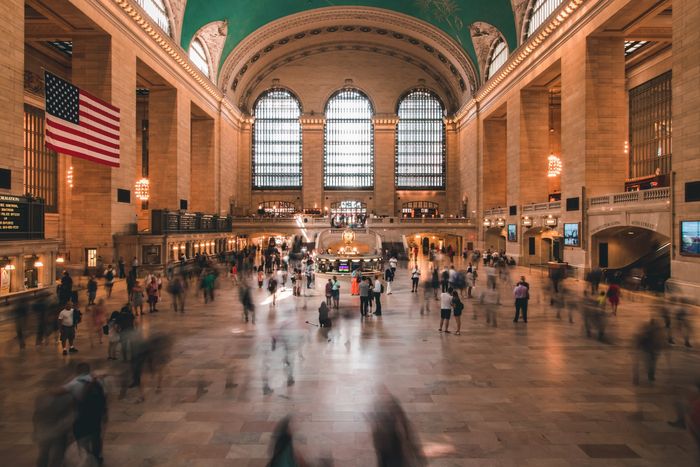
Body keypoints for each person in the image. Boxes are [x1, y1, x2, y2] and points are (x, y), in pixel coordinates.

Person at [62, 363, 107, 464]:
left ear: (77, 371)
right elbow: (105, 395)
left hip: (81, 414)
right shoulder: (99, 381)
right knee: (96, 435)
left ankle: (86, 454)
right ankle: (97, 455)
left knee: (81, 437)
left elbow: (58, 392)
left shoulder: (74, 383)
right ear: (88, 370)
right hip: (96, 414)